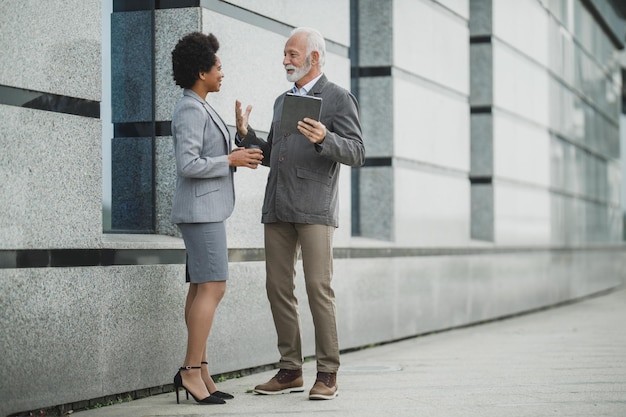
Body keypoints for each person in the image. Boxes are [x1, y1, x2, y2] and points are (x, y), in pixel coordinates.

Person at [235, 27, 365, 400]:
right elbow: (272, 152)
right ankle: (290, 369)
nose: (286, 61)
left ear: (315, 58)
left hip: (314, 208)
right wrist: (246, 135)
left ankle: (328, 373)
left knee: (317, 288)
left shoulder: (339, 99)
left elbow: (357, 151)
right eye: (285, 54)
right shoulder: (281, 101)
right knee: (277, 288)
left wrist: (325, 137)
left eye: (293, 54)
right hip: (278, 206)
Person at [170, 31, 263, 405]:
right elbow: (188, 164)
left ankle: (200, 368)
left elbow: (214, 154)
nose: (222, 74)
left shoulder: (201, 105)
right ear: (200, 71)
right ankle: (191, 371)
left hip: (205, 210)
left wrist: (239, 136)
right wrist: (230, 159)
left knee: (199, 289)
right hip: (200, 212)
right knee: (214, 287)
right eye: (218, 67)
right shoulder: (190, 108)